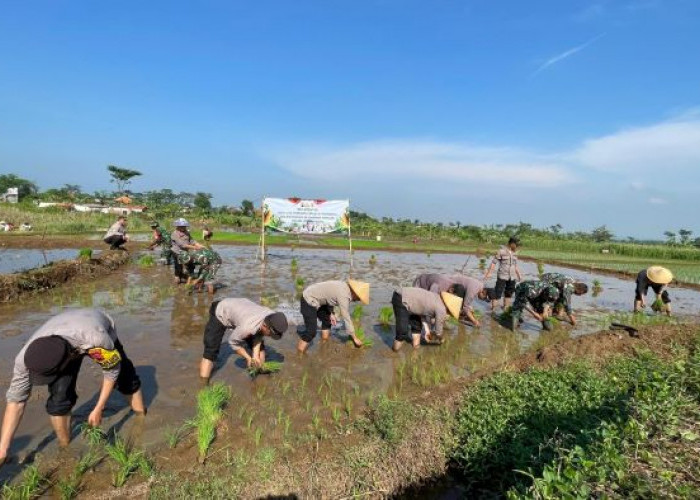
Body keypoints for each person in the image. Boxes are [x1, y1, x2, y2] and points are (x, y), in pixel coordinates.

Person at [0, 309, 145, 466]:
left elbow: (112, 372)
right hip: (61, 333)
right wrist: (3, 447)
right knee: (59, 399)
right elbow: (16, 402)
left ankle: (141, 418)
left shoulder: (97, 339)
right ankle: (65, 446)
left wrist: (98, 408)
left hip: (91, 327)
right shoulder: (24, 360)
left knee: (126, 378)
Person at [199, 298, 288, 385]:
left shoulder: (272, 316)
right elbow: (232, 342)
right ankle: (203, 385)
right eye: (270, 334)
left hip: (243, 311)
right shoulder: (247, 327)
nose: (270, 336)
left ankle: (259, 374)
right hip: (221, 311)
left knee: (260, 350)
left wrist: (255, 356)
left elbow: (259, 334)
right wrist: (248, 358)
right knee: (210, 352)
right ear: (265, 325)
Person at [297, 280, 370, 353]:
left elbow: (329, 297)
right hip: (308, 299)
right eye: (358, 298)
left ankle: (324, 343)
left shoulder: (344, 287)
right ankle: (299, 354)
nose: (357, 300)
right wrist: (354, 337)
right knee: (311, 332)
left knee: (327, 320)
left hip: (319, 299)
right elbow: (346, 316)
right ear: (355, 293)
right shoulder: (344, 295)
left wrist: (331, 313)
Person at [391, 287, 462, 351]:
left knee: (417, 327)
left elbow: (422, 310)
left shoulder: (438, 297)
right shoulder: (442, 310)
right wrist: (441, 339)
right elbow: (438, 332)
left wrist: (427, 330)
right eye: (450, 314)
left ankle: (415, 351)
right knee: (402, 332)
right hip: (401, 297)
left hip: (412, 302)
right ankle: (394, 353)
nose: (448, 316)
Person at [483, 236, 522, 311]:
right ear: (512, 243)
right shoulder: (501, 251)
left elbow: (515, 265)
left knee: (509, 293)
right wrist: (489, 273)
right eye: (516, 244)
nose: (517, 246)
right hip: (502, 276)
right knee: (497, 294)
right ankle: (493, 310)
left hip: (512, 277)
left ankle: (505, 308)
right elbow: (493, 263)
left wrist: (519, 275)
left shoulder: (515, 253)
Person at [170, 218, 205, 283]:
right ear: (178, 227)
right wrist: (195, 247)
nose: (184, 227)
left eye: (185, 226)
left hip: (185, 252)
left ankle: (189, 277)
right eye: (182, 226)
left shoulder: (186, 232)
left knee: (191, 265)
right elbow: (182, 245)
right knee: (178, 266)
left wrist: (199, 245)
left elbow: (192, 240)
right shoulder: (174, 234)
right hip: (177, 252)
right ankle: (177, 276)